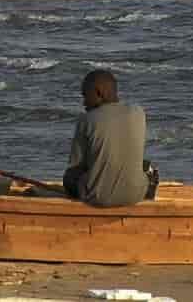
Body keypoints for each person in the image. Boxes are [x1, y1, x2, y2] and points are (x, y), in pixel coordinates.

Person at [63, 69, 158, 206]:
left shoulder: (87, 119)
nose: (84, 102)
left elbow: (76, 166)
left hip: (97, 197)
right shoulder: (138, 112)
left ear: (99, 93)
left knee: (70, 177)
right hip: (136, 195)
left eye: (85, 96)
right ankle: (147, 192)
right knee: (146, 166)